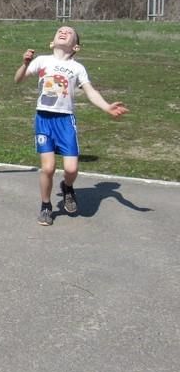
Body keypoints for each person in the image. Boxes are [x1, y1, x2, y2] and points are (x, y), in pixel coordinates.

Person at [14, 26, 128, 226]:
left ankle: (67, 187)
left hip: (65, 120)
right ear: (52, 42)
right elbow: (18, 79)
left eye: (69, 32)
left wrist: (107, 107)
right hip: (44, 118)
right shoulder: (41, 60)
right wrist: (25, 64)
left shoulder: (77, 68)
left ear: (76, 46)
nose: (63, 32)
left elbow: (90, 92)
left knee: (71, 168)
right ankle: (46, 206)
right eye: (60, 30)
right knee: (47, 168)